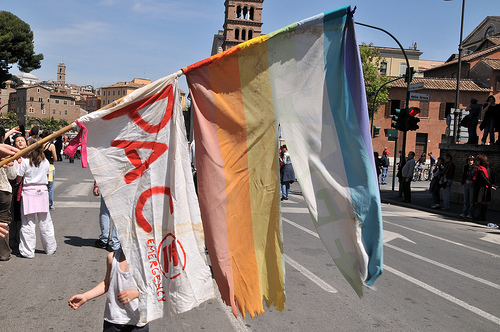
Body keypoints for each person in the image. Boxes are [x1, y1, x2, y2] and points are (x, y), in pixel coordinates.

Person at [68, 250, 149, 331]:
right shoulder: (112, 257)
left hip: (138, 322)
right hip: (113, 320)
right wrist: (85, 296)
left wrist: (137, 293)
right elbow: (107, 283)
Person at [16, 137, 57, 258]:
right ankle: (50, 247)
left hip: (29, 192)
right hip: (42, 191)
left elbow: (19, 178)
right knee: (45, 221)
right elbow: (47, 175)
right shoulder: (45, 162)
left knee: (28, 222)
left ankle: (27, 251)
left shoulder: (25, 162)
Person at [0, 126, 18, 261]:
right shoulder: (5, 151)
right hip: (4, 190)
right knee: (3, 222)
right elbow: (12, 175)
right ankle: (4, 253)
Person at [9, 134, 27, 251]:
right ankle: (11, 239)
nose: (20, 142)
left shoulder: (30, 156)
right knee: (12, 214)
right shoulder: (11, 156)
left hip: (25, 188)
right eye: (17, 141)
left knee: (23, 215)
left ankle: (21, 239)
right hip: (13, 187)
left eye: (22, 140)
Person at [94, 181, 121, 251]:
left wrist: (96, 186)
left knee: (105, 213)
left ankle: (104, 240)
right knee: (119, 214)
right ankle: (116, 244)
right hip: (123, 185)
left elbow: (100, 171)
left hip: (107, 185)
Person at [473, 154, 495, 222]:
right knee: (484, 203)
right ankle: (483, 216)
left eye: (478, 160)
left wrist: (489, 184)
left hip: (480, 188)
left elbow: (483, 178)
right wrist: (491, 184)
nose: (476, 162)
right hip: (487, 188)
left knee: (479, 202)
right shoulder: (488, 169)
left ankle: (479, 216)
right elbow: (492, 177)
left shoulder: (480, 169)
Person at [40, 129, 57, 210]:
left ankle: (41, 202)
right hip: (50, 166)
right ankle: (49, 204)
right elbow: (55, 159)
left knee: (42, 185)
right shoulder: (51, 146)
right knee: (50, 187)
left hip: (40, 166)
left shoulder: (40, 144)